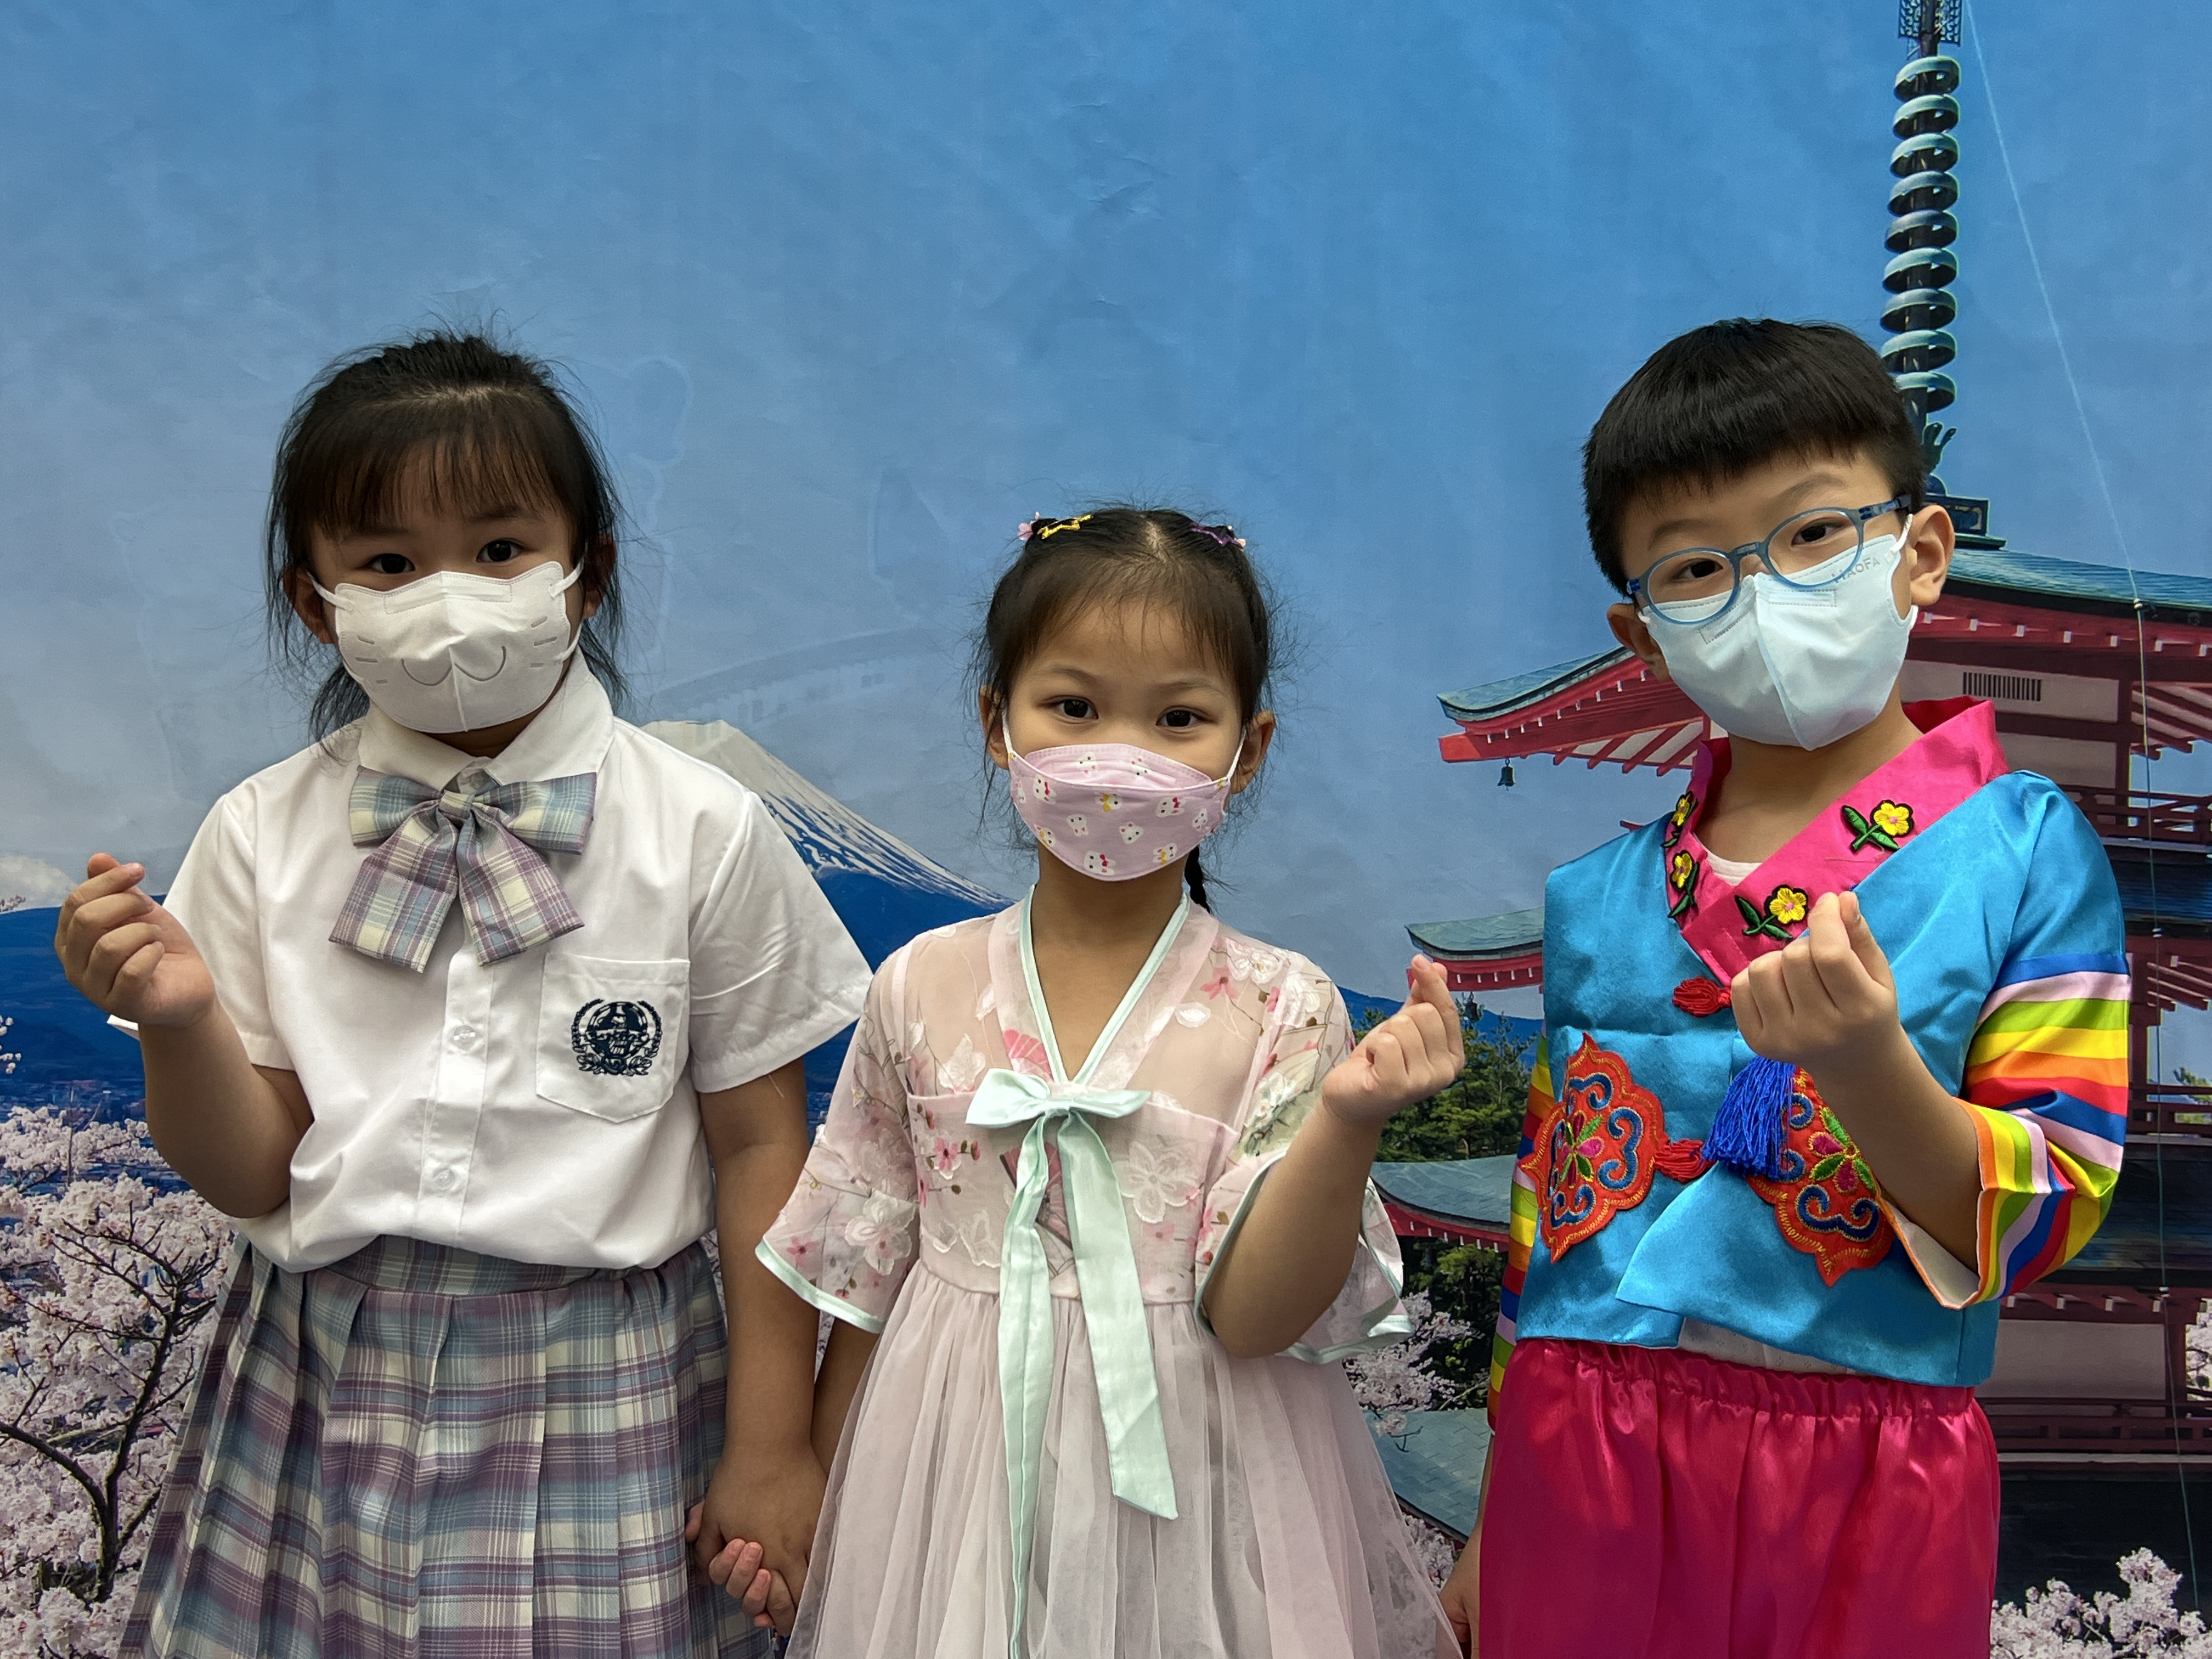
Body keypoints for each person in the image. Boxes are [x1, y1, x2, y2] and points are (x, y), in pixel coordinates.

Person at [52, 330, 871, 1658]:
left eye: (499, 550)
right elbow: (252, 1169)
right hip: (322, 1376)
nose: (448, 599)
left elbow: (763, 1146)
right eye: (388, 562)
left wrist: (772, 1443)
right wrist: (181, 1024)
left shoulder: (702, 830)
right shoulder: (260, 833)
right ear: (315, 601)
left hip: (613, 1383)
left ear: (587, 573)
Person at [1439, 319, 2129, 1657]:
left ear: (1920, 550)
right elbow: (1542, 1221)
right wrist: (1494, 1496)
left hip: (1874, 1466)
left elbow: (2055, 1204)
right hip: (1581, 1452)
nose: (1763, 589)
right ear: (1641, 632)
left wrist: (1868, 1067)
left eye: (1815, 535)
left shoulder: (2022, 851)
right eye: (1697, 567)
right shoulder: (1596, 898)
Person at [698, 507, 1461, 1657]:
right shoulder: (919, 987)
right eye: (1074, 707)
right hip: (945, 1483)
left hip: (1202, 1502)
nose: (1121, 754)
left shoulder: (1282, 1006)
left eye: (1178, 718)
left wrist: (1348, 1124)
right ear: (996, 721)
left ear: (1248, 749)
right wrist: (827, 1504)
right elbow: (867, 1281)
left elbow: (1257, 1316)